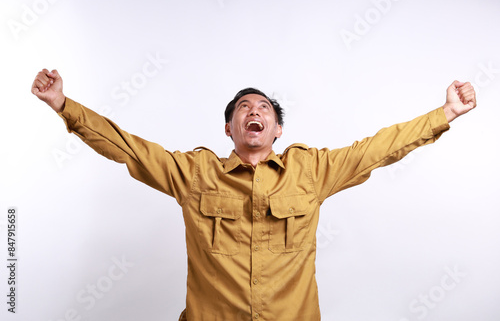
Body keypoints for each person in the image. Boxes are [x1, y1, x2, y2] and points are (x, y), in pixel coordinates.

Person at [31, 68, 476, 321]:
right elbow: (129, 148)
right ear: (230, 128)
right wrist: (64, 105)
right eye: (244, 107)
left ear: (277, 129)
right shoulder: (194, 173)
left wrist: (445, 113)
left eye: (263, 107)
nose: (254, 111)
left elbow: (377, 150)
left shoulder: (312, 170)